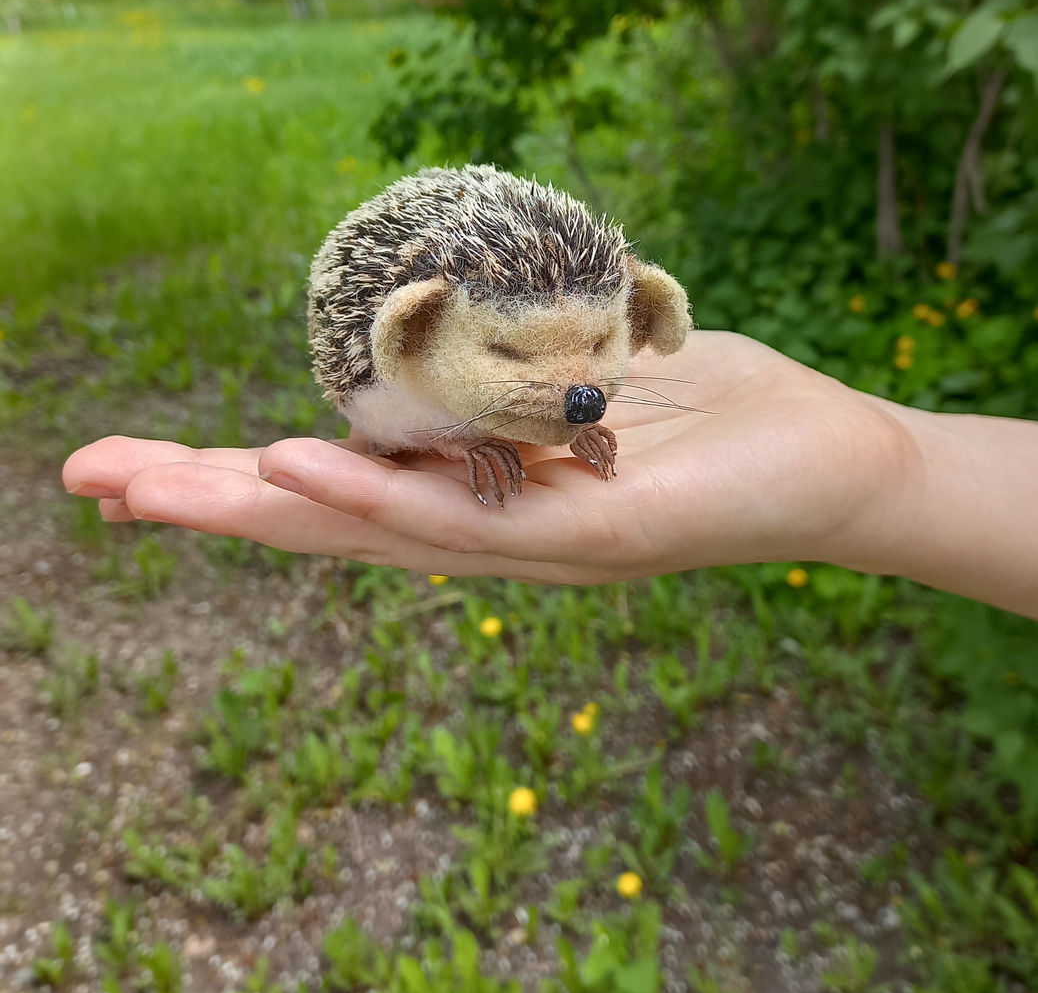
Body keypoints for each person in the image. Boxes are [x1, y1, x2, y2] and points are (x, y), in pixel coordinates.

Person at [62, 331, 1038, 619]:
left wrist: (895, 471)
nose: (580, 401)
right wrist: (898, 471)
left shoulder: (575, 380)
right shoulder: (419, 378)